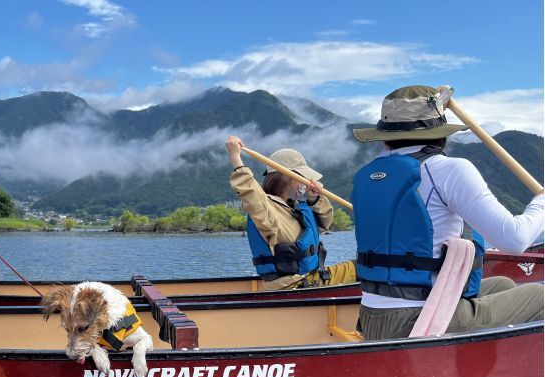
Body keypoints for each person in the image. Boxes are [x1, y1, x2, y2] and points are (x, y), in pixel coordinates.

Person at [351, 85, 543, 340]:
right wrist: (540, 204)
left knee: (503, 285)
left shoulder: (369, 176)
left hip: (372, 318)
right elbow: (514, 239)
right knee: (540, 296)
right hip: (415, 319)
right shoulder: (446, 170)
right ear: (439, 132)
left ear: (385, 134)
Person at [226, 136, 358, 290]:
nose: (306, 182)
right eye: (301, 177)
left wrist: (314, 198)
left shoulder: (295, 206)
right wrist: (236, 158)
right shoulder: (266, 209)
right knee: (366, 267)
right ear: (286, 178)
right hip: (294, 285)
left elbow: (323, 225)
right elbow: (250, 192)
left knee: (368, 264)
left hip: (311, 279)